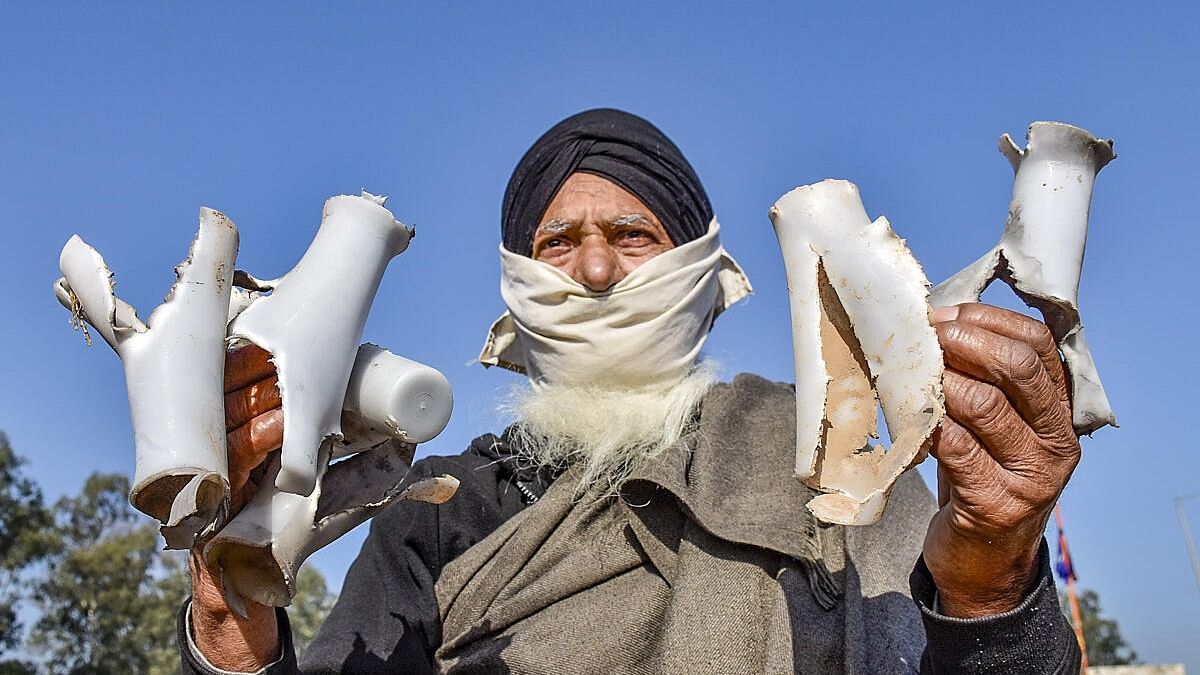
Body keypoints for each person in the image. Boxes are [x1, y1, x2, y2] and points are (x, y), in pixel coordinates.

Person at [180, 109, 1083, 673]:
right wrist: (229, 625)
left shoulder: (826, 453)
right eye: (558, 243)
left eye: (633, 234)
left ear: (703, 271)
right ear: (514, 286)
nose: (598, 268)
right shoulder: (437, 508)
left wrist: (990, 581)